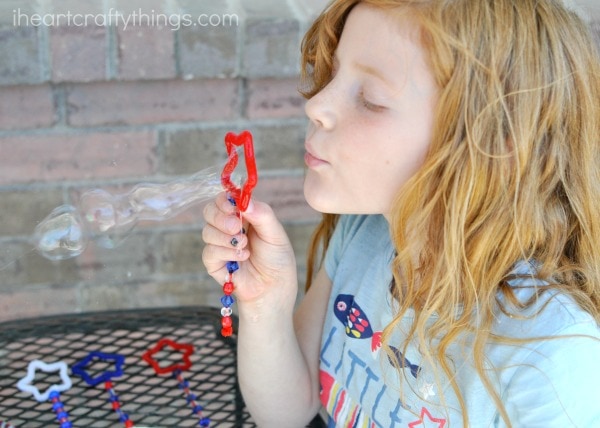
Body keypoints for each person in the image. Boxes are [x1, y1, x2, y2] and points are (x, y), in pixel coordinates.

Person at [202, 0, 600, 426]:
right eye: (333, 74)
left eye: (370, 99)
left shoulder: (551, 354)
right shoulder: (364, 235)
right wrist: (266, 305)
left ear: (495, 143)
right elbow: (287, 414)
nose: (316, 105)